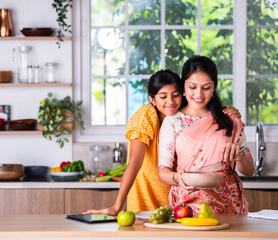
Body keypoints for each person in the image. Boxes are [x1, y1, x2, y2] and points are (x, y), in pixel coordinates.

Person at [85, 69, 241, 216]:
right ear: (152, 99)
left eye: (176, 95)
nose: (170, 102)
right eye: (163, 96)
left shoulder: (185, 119)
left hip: (176, 201)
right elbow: (134, 162)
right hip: (145, 199)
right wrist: (117, 206)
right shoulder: (146, 115)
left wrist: (226, 114)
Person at [158, 55, 255, 216]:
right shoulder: (173, 122)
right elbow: (163, 172)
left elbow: (249, 171)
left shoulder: (229, 120)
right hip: (188, 203)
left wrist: (239, 154)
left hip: (228, 203)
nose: (199, 94)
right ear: (183, 86)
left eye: (206, 87)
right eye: (192, 87)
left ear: (214, 87)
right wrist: (177, 178)